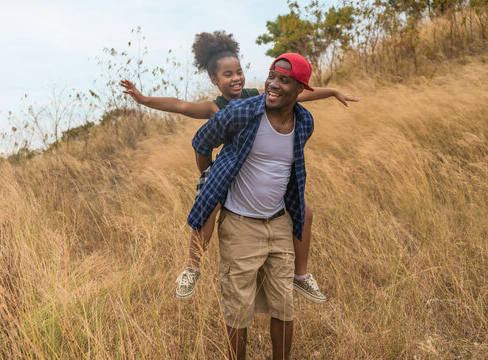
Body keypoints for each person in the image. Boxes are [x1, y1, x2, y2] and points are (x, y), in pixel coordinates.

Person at [120, 31, 359, 302]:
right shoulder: (215, 106)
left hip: (257, 172)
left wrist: (333, 92)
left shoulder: (256, 95)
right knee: (207, 207)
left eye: (239, 72)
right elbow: (180, 105)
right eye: (227, 74)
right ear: (214, 80)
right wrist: (143, 100)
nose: (236, 78)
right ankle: (192, 267)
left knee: (306, 212)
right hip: (228, 170)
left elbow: (298, 95)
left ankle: (300, 276)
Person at [189, 52, 314, 360]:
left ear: (300, 90)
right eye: (271, 76)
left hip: (279, 224)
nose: (273, 84)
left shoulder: (304, 122)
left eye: (284, 80)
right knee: (237, 310)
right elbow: (201, 141)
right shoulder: (241, 112)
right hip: (240, 225)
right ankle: (191, 266)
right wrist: (212, 176)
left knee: (284, 306)